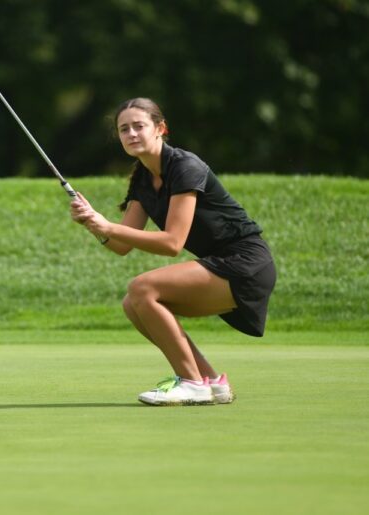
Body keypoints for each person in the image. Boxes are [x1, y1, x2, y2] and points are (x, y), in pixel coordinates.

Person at [70, 97, 276, 406]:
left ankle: (191, 383)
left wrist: (108, 226)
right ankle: (210, 381)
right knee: (133, 303)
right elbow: (123, 245)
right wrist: (92, 223)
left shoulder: (184, 166)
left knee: (142, 288)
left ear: (160, 128)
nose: (131, 134)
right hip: (221, 264)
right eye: (124, 129)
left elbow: (172, 243)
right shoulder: (142, 179)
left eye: (139, 126)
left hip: (246, 262)